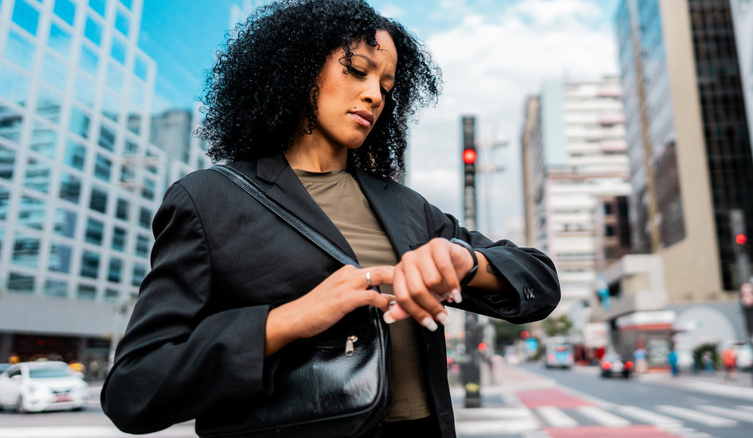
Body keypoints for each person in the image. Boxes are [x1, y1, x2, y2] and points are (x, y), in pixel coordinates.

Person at [100, 1, 560, 437]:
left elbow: (540, 282)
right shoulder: (207, 200)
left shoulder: (405, 205)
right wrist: (286, 321)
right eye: (357, 70)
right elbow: (134, 389)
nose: (374, 94)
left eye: (386, 85)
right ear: (299, 67)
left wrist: (464, 260)